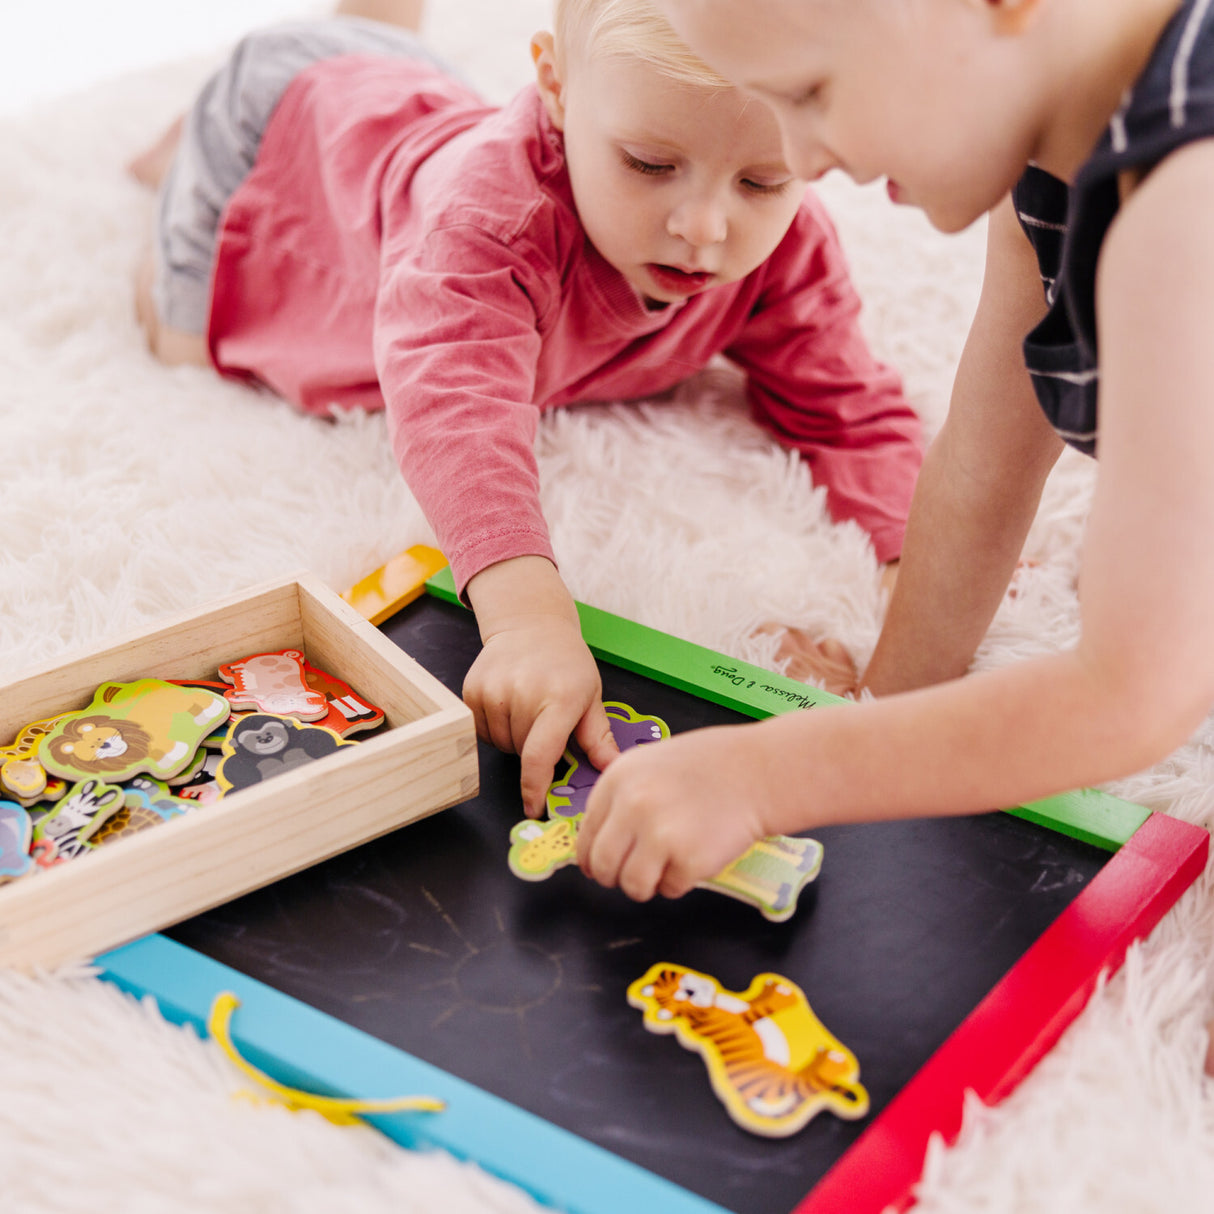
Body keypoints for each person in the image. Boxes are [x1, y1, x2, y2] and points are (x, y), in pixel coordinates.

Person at [576, 0, 1214, 1071]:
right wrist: (892, 699)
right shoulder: (1059, 145)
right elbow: (987, 448)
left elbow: (1130, 694)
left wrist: (766, 772)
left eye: (811, 93)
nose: (797, 158)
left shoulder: (1185, 206)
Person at [131, 0, 924, 814]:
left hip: (410, 116)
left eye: (763, 180)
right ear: (555, 89)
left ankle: (378, 33)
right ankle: (195, 140)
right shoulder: (489, 221)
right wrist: (526, 622)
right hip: (276, 121)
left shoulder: (786, 245)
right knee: (185, 342)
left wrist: (912, 557)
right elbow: (457, 409)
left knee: (421, 111)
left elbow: (849, 405)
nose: (703, 226)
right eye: (650, 164)